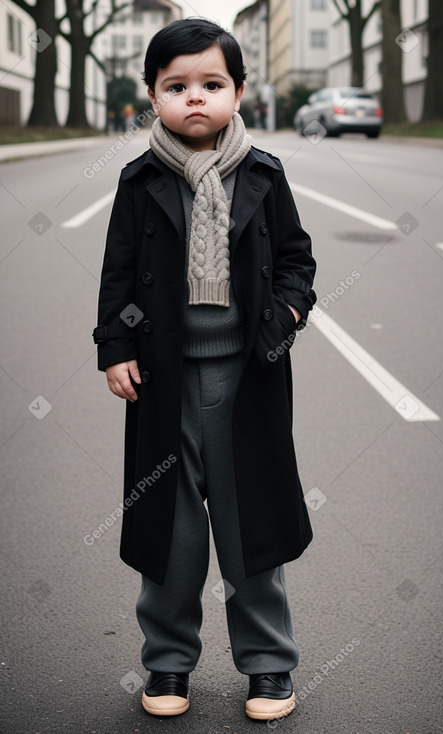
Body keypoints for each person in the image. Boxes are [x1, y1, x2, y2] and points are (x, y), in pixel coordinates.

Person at [93, 17, 317, 722]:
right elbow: (119, 276)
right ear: (152, 97)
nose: (195, 99)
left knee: (252, 529)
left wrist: (285, 315)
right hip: (163, 383)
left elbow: (296, 263)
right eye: (176, 86)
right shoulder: (138, 181)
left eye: (210, 85)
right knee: (173, 532)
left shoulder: (262, 175)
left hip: (247, 379)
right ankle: (166, 663)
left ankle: (269, 666)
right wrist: (116, 346)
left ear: (239, 91)